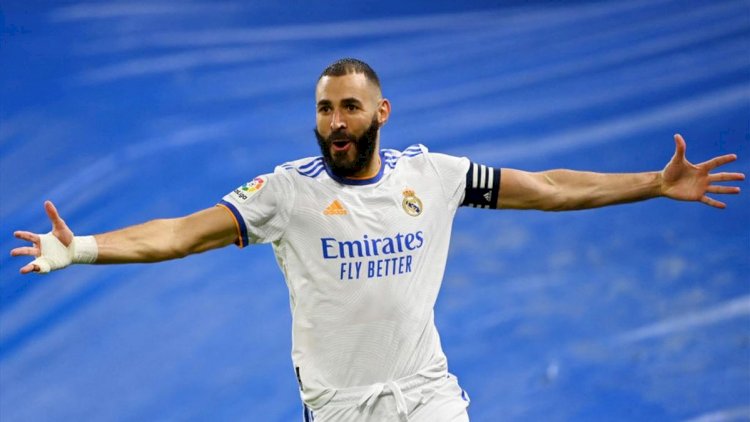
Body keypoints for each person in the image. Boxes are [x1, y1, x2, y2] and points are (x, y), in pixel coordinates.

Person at [10, 58, 744, 422]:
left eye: (349, 107)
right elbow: (178, 233)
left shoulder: (436, 175)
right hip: (338, 407)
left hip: (425, 396)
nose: (335, 121)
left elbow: (549, 187)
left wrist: (653, 182)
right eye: (324, 109)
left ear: (381, 112)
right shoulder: (285, 193)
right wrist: (82, 247)